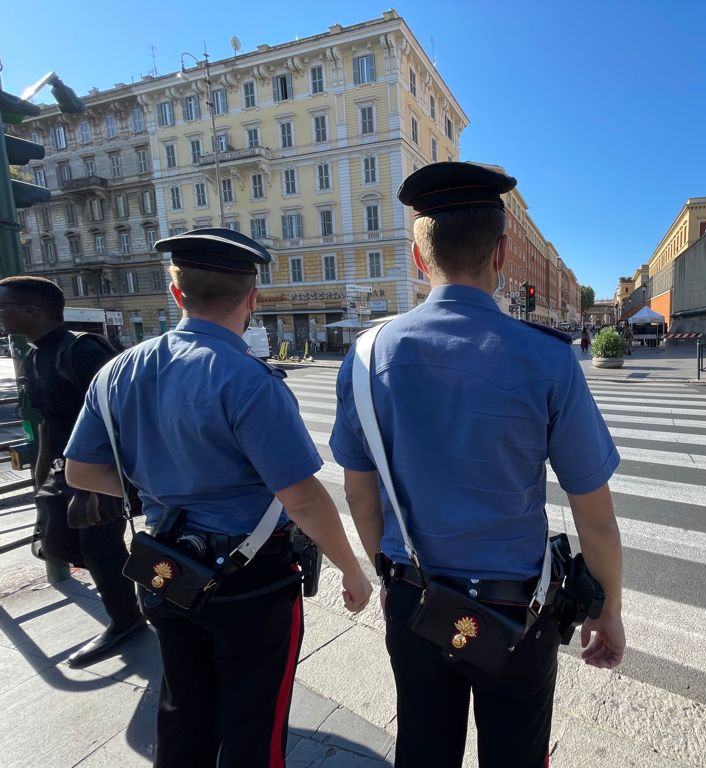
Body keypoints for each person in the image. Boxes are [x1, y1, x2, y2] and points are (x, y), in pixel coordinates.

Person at [331, 162, 626, 768]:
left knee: (422, 747)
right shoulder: (548, 360)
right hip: (519, 610)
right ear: (502, 252)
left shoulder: (363, 359)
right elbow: (595, 517)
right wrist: (609, 611)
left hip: (416, 601)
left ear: (419, 258)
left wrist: (389, 572)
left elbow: (360, 500)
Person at [63, 228, 373, 768]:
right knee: (255, 716)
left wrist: (160, 485)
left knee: (183, 704)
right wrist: (351, 568)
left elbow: (81, 471)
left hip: (166, 564)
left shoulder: (116, 370)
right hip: (249, 580)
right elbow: (301, 497)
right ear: (251, 298)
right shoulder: (249, 379)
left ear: (176, 292)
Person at [0, 275, 144, 668]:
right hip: (67, 473)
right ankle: (133, 608)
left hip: (102, 472)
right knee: (74, 546)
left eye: (4, 306)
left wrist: (126, 481)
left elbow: (129, 416)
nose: (0, 314)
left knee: (101, 549)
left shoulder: (82, 351)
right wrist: (41, 477)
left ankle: (127, 619)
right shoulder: (35, 355)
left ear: (33, 310)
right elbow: (49, 422)